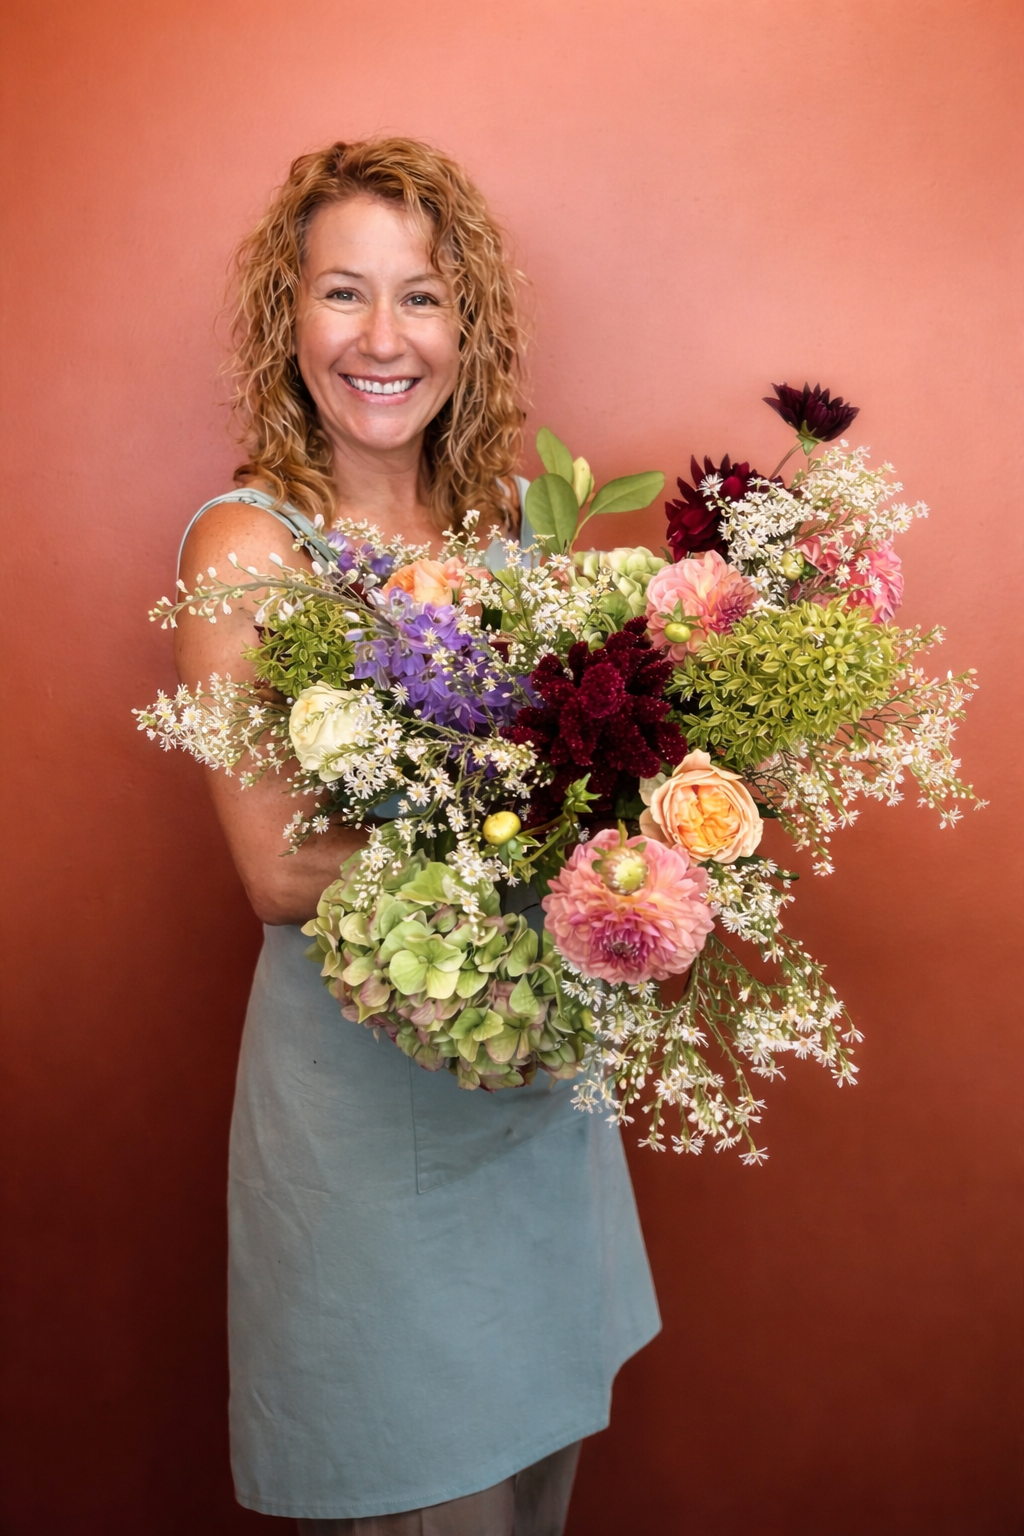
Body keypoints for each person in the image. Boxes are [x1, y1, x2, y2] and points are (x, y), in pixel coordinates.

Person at [175, 138, 660, 1536]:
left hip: (535, 1114)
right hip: (366, 1139)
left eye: (424, 298)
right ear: (290, 318)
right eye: (343, 293)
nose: (383, 340)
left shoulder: (510, 532)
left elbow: (581, 779)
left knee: (536, 1500)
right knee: (419, 1496)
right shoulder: (248, 549)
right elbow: (275, 868)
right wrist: (566, 858)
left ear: (470, 329)